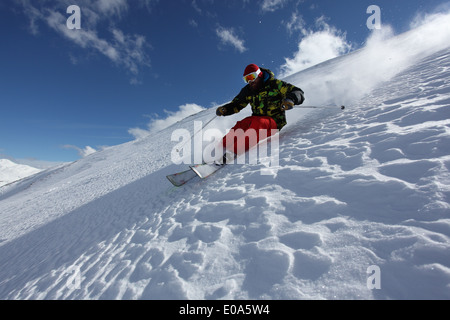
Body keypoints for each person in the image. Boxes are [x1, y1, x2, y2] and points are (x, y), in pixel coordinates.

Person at [215, 63, 305, 163]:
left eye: (252, 77)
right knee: (242, 124)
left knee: (257, 125)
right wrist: (225, 109)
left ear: (259, 74)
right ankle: (219, 149)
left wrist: (290, 99)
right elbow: (237, 104)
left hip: (274, 121)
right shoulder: (248, 90)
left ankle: (229, 155)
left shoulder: (274, 84)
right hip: (256, 118)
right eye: (246, 79)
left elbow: (297, 91)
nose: (250, 81)